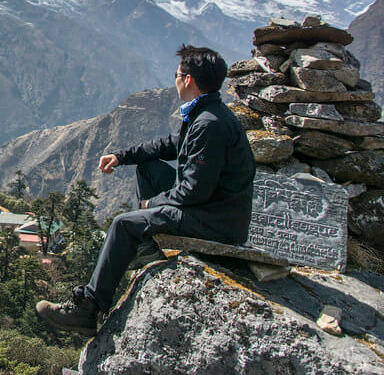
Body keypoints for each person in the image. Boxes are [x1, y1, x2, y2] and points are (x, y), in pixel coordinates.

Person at [36, 45, 255, 335]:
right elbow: (169, 146)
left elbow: (194, 192)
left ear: (188, 80)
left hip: (216, 222)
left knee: (123, 225)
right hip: (213, 208)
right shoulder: (205, 113)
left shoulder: (209, 124)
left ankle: (87, 308)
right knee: (148, 167)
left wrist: (152, 204)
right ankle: (148, 246)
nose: (174, 79)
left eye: (176, 74)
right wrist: (122, 156)